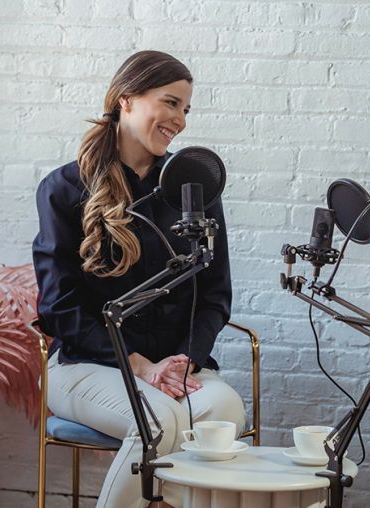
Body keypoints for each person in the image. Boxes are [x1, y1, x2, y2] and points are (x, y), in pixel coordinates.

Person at [33, 50, 245, 508]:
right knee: (157, 423)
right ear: (126, 99)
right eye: (170, 103)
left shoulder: (196, 188)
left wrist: (186, 359)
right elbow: (59, 308)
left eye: (186, 109)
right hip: (84, 366)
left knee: (224, 411)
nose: (180, 121)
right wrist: (140, 366)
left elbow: (216, 293)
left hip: (174, 369)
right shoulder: (64, 189)